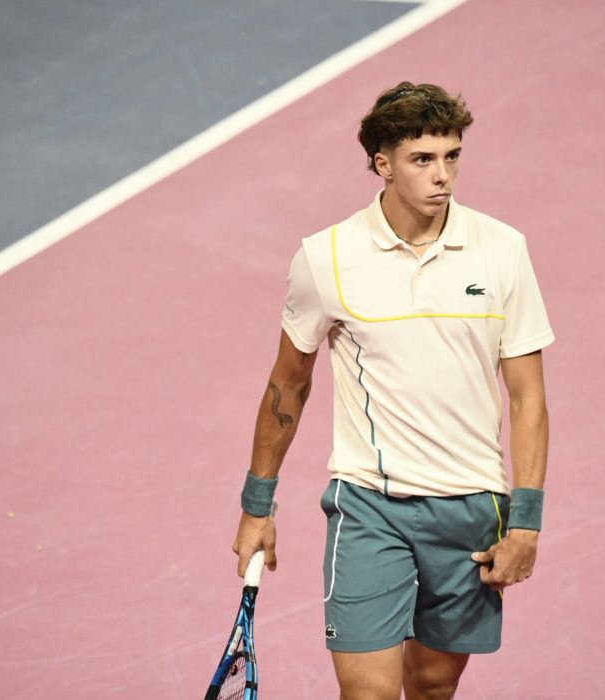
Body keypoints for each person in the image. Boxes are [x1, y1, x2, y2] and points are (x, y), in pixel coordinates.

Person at [232, 81, 554, 700]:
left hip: (469, 507)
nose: (443, 176)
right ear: (382, 164)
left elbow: (528, 398)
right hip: (369, 506)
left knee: (432, 685)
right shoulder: (326, 257)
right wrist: (257, 505)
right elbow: (287, 385)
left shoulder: (503, 251)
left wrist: (527, 523)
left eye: (452, 156)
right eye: (422, 159)